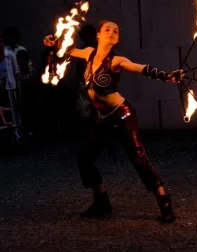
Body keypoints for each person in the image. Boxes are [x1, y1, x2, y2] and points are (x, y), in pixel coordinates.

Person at [43, 20, 184, 223]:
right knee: (84, 158)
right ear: (99, 35)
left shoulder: (118, 60)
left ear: (117, 38)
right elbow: (65, 48)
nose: (111, 32)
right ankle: (101, 201)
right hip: (101, 118)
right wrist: (52, 41)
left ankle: (164, 201)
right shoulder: (88, 53)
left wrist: (167, 76)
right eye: (107, 29)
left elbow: (140, 68)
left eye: (115, 31)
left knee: (138, 156)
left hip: (122, 114)